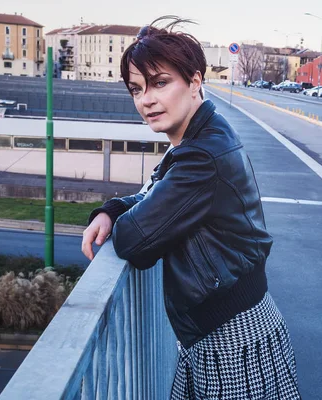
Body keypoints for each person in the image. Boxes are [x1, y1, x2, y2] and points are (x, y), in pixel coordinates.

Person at [81, 16, 301, 400]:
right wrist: (112, 208)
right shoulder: (200, 137)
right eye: (136, 89)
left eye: (160, 83)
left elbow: (135, 241)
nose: (146, 99)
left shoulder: (201, 156)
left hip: (232, 341)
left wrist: (122, 218)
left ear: (195, 81)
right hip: (224, 327)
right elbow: (158, 198)